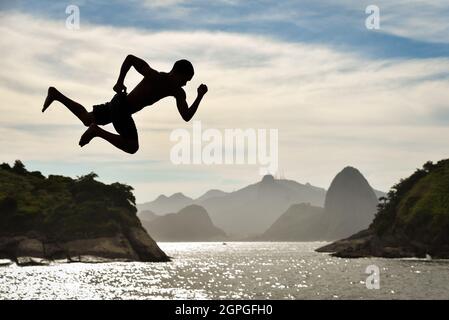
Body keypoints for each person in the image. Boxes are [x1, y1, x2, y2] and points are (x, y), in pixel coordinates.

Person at [42, 54, 208, 154]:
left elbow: (186, 117)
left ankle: (56, 95)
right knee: (132, 146)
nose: (185, 84)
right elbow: (130, 58)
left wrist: (199, 96)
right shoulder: (154, 76)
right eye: (185, 79)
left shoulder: (178, 92)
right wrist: (119, 81)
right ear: (176, 72)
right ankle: (96, 131)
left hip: (119, 103)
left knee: (86, 118)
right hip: (122, 107)